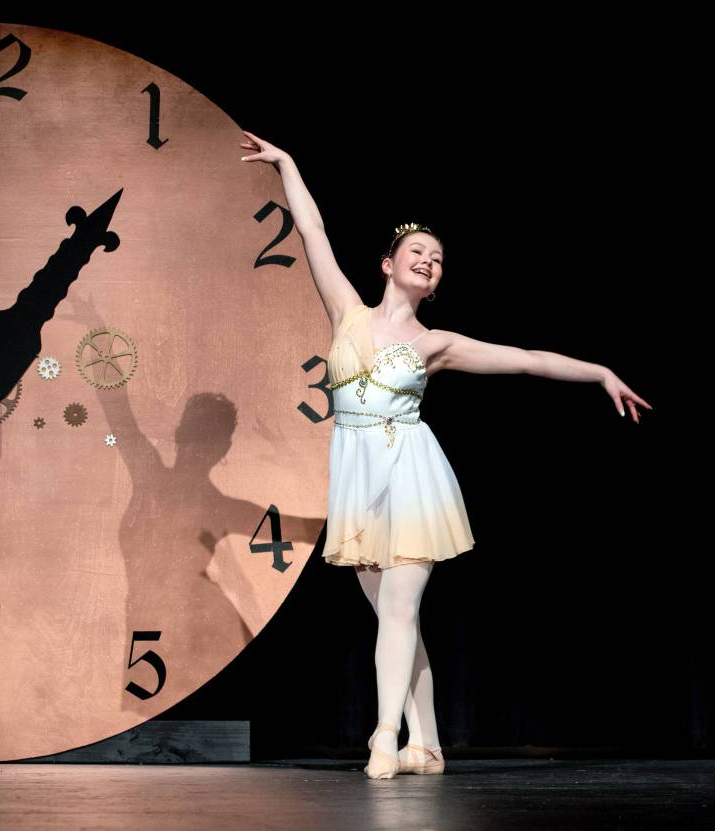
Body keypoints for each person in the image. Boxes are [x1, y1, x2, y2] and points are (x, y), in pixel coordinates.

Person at [238, 130, 652, 779]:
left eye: (437, 256)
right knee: (393, 621)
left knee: (399, 613)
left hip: (409, 471)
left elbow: (529, 360)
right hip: (356, 476)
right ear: (387, 263)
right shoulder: (346, 313)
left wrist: (599, 370)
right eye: (417, 251)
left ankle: (383, 736)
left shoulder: (439, 343)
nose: (429, 260)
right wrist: (286, 164)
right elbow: (311, 230)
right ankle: (427, 743)